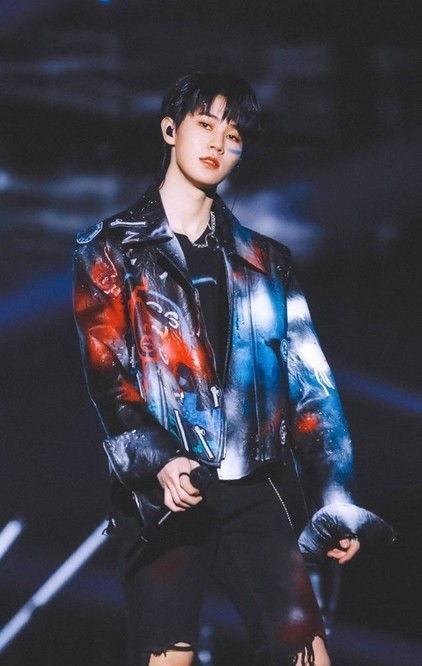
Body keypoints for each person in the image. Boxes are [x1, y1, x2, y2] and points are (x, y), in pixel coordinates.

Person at [73, 71, 360, 666]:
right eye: (205, 124)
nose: (217, 143)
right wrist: (159, 458)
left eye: (233, 135)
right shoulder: (112, 249)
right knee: (167, 655)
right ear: (170, 129)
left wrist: (333, 495)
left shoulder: (265, 261)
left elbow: (312, 387)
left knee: (307, 654)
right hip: (165, 492)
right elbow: (108, 375)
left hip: (257, 485)